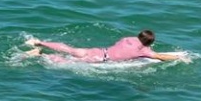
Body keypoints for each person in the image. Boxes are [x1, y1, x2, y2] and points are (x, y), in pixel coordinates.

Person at [20, 30, 185, 64]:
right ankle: (40, 55)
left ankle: (39, 42)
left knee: (70, 50)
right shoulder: (145, 51)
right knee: (66, 61)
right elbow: (161, 57)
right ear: (149, 42)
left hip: (98, 50)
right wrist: (179, 57)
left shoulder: (128, 39)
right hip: (99, 58)